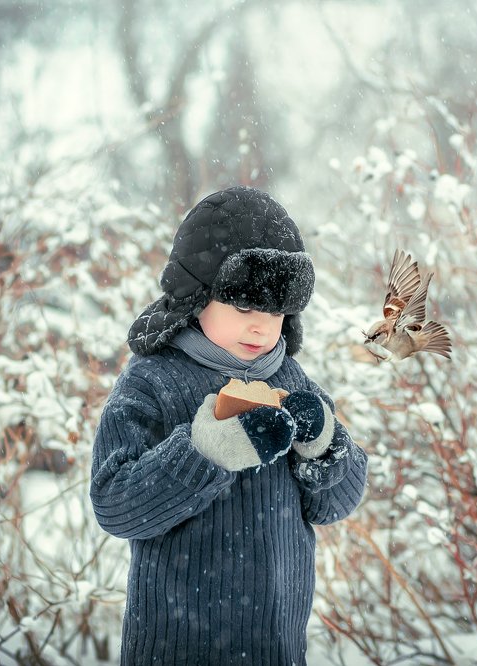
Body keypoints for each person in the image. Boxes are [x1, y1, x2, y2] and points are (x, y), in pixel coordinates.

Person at [90, 186, 369, 665]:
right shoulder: (153, 381)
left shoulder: (291, 380)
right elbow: (115, 506)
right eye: (243, 307)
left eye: (276, 311)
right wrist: (204, 453)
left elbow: (335, 504)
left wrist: (324, 446)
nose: (261, 326)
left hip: (277, 647)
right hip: (177, 646)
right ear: (197, 296)